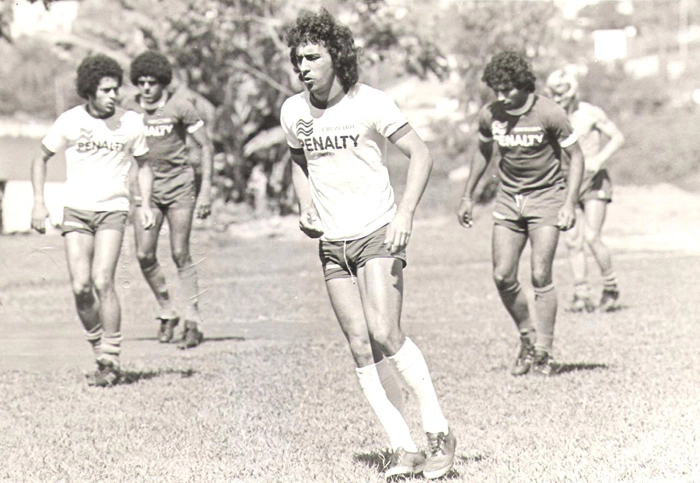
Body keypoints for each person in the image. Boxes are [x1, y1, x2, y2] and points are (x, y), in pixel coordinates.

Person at [280, 8, 456, 480]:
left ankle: (438, 433)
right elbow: (299, 161)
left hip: (378, 231)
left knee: (385, 332)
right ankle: (403, 447)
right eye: (298, 59)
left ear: (336, 57)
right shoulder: (293, 111)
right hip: (332, 243)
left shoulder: (370, 102)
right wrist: (305, 206)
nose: (303, 67)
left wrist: (405, 215)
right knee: (360, 346)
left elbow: (421, 153)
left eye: (312, 57)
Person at [457, 51, 585, 377]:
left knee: (541, 274)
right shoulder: (491, 114)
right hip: (509, 201)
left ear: (524, 85)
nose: (501, 97)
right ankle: (527, 336)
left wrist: (569, 203)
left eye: (508, 89)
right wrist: (468, 196)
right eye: (496, 90)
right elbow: (484, 152)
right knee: (502, 275)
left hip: (546, 198)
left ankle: (544, 350)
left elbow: (577, 157)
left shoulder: (549, 112)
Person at [31, 54, 154, 387]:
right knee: (81, 287)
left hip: (113, 209)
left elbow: (144, 165)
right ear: (89, 91)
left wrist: (144, 204)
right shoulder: (70, 121)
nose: (113, 96)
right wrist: (39, 203)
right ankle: (99, 349)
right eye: (105, 90)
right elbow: (40, 159)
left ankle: (110, 357)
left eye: (115, 89)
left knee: (103, 280)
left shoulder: (131, 123)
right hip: (76, 211)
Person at [124, 50, 214, 349]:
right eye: (141, 82)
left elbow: (205, 147)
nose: (146, 88)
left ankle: (193, 321)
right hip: (145, 192)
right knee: (144, 254)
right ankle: (167, 310)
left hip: (179, 188)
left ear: (163, 82)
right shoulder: (128, 110)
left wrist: (205, 191)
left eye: (152, 82)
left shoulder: (180, 106)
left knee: (180, 253)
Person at [545, 68, 625, 312]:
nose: (559, 99)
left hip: (593, 181)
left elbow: (617, 137)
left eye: (563, 94)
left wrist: (599, 158)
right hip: (567, 182)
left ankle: (610, 288)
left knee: (592, 236)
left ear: (573, 92)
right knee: (572, 240)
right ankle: (582, 294)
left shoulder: (589, 113)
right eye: (554, 94)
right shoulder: (550, 116)